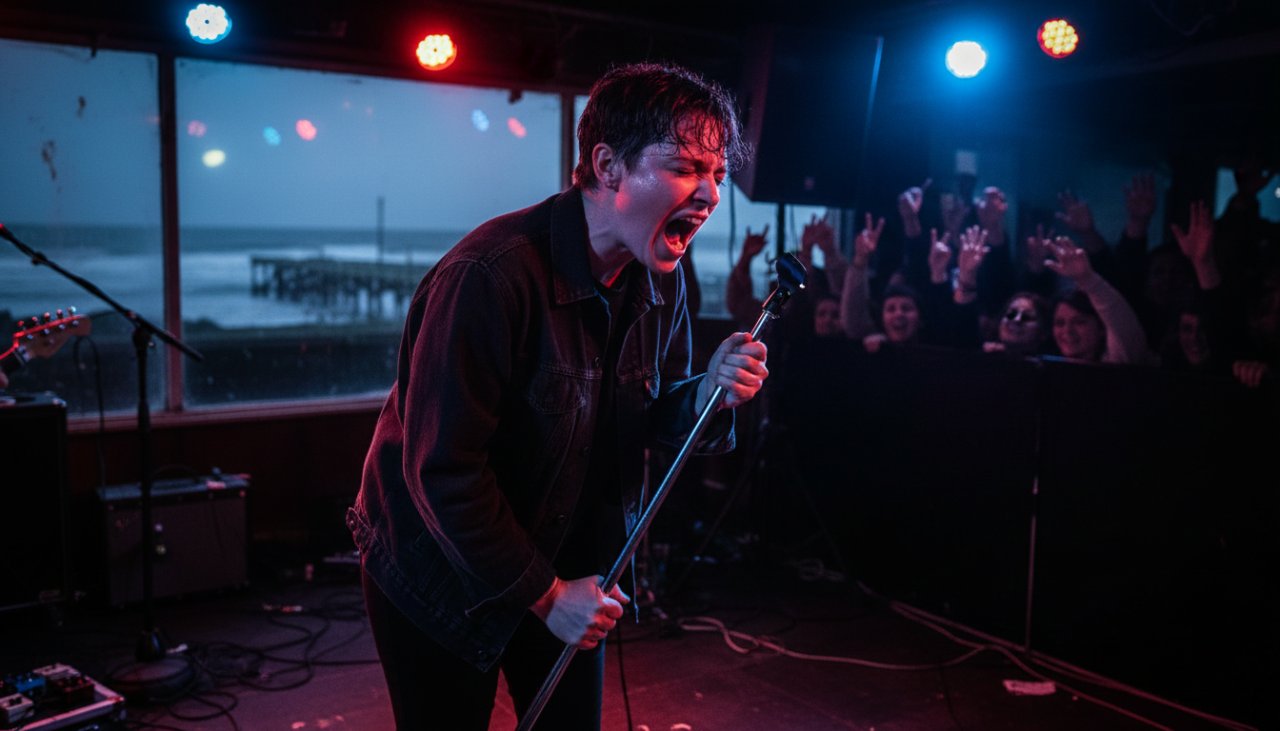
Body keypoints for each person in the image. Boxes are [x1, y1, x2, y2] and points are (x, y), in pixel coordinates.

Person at [346, 63, 769, 730]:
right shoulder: (489, 277)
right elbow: (442, 471)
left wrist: (710, 395)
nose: (711, 192)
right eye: (688, 166)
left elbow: (652, 416)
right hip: (440, 571)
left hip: (567, 565)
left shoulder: (663, 277)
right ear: (607, 165)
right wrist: (544, 595)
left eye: (718, 172)